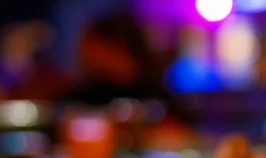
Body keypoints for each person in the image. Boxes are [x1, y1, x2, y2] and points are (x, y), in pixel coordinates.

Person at [59, 13, 191, 122]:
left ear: (119, 48)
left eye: (92, 46)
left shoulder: (158, 101)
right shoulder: (83, 97)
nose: (83, 53)